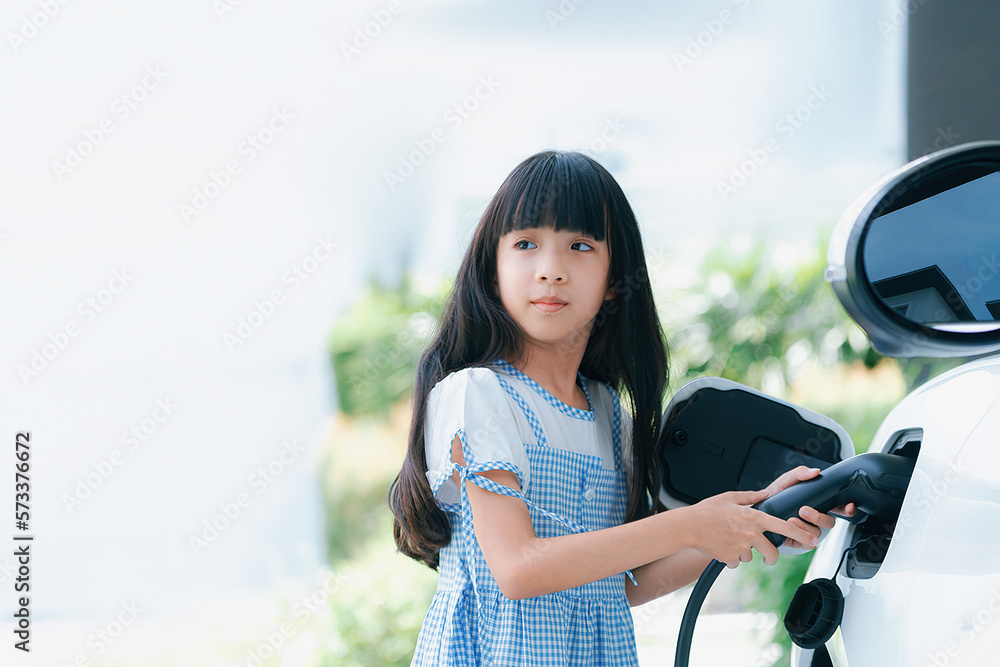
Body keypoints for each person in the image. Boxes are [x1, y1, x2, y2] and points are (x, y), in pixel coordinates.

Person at [388, 150, 853, 665]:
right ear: (491, 269)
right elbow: (519, 569)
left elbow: (621, 586)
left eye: (580, 246)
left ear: (614, 283)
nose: (550, 270)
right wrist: (691, 524)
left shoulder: (608, 413)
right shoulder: (479, 394)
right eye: (525, 243)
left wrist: (755, 517)